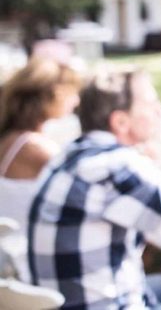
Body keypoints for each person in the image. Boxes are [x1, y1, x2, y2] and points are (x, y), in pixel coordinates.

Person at [27, 69, 161, 309]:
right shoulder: (116, 166)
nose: (159, 110)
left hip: (65, 301)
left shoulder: (70, 155)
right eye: (151, 104)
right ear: (120, 121)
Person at [0, 59, 81, 280]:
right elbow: (84, 183)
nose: (76, 101)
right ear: (53, 94)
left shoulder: (11, 138)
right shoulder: (34, 148)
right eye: (72, 93)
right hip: (26, 266)